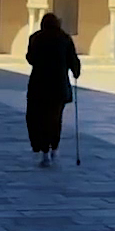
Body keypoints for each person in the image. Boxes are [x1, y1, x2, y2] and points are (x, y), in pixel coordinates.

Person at [26, 12, 82, 165]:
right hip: (58, 86)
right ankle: (54, 148)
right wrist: (76, 71)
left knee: (40, 119)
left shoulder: (36, 38)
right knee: (55, 119)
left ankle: (43, 150)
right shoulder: (64, 39)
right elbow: (73, 60)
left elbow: (30, 58)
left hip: (39, 85)